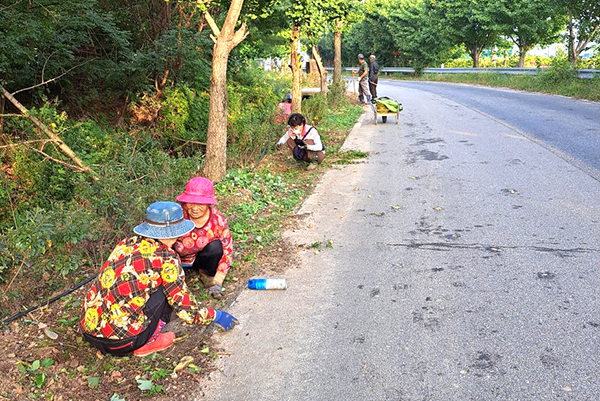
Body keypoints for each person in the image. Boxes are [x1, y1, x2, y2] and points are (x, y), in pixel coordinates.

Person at [80, 201, 238, 357]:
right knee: (166, 290)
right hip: (125, 341)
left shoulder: (125, 244)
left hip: (89, 331)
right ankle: (149, 341)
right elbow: (185, 308)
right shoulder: (166, 258)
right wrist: (216, 315)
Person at [173, 177, 233, 299]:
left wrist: (218, 280)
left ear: (208, 203)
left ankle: (206, 274)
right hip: (177, 258)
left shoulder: (217, 219)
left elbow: (228, 250)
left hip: (201, 257)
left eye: (200, 204)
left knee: (216, 247)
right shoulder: (176, 213)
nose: (194, 208)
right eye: (191, 203)